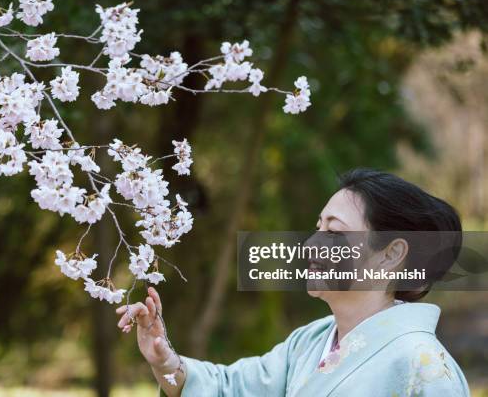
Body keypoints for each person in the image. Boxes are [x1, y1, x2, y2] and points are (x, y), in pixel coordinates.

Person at [116, 168, 470, 396]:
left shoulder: (422, 365)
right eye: (318, 228)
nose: (313, 244)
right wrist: (167, 364)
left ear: (391, 254)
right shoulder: (309, 342)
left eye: (335, 230)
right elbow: (233, 389)